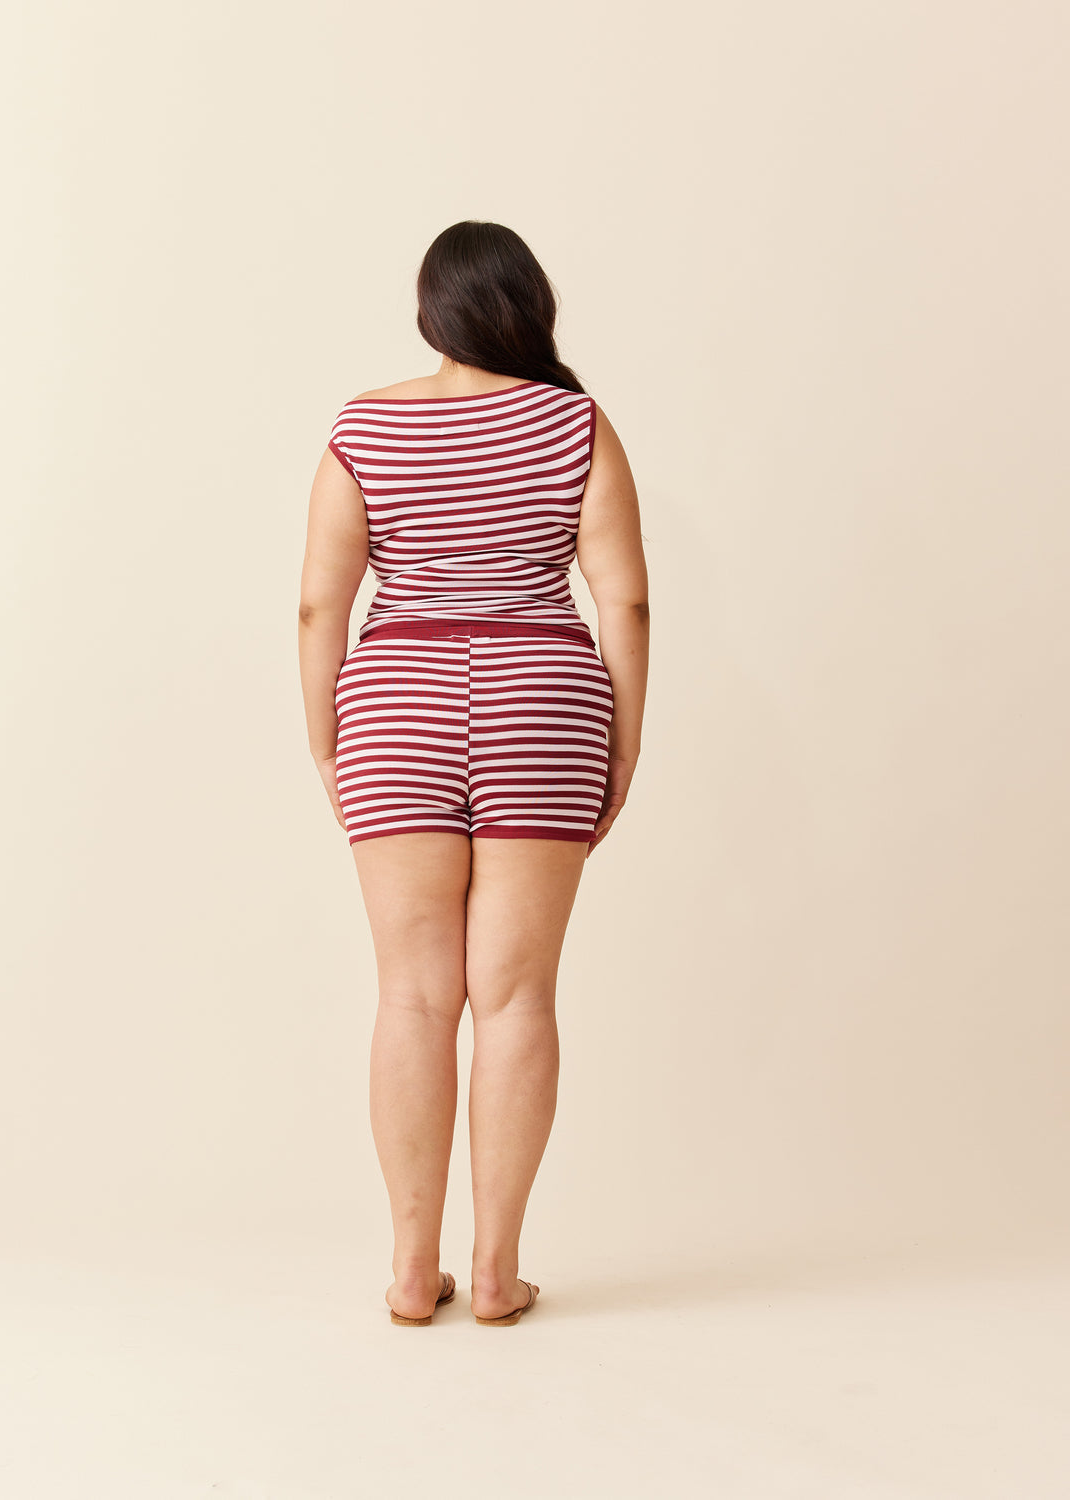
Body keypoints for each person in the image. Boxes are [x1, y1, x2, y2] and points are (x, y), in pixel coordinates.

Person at [298, 220, 649, 1326]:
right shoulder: (575, 423)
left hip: (394, 703)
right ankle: (496, 1272)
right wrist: (624, 742)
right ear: (530, 305)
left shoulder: (365, 427)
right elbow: (625, 600)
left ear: (429, 312)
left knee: (411, 993)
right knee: (515, 995)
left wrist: (327, 742)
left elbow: (319, 605)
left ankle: (414, 1271)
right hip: (545, 704)